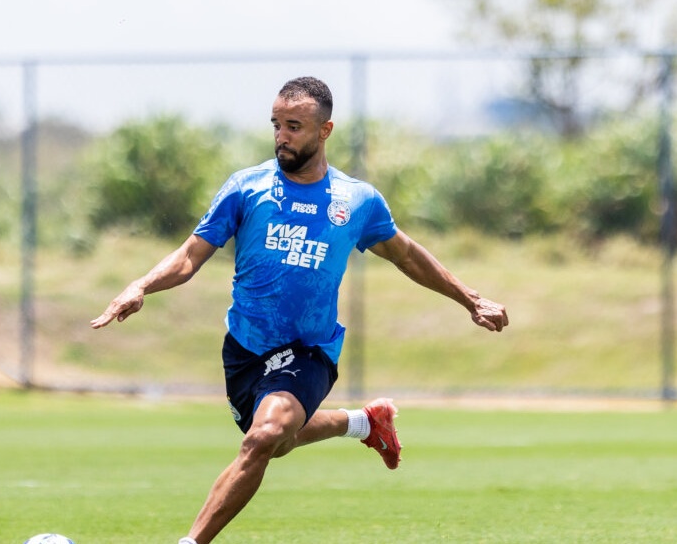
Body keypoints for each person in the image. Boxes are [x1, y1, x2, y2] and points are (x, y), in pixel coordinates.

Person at [90, 76, 509, 544]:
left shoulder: (357, 201)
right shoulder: (245, 189)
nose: (281, 136)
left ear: (324, 130)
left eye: (294, 126)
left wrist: (471, 299)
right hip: (245, 349)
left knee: (263, 437)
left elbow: (407, 255)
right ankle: (365, 422)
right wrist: (141, 286)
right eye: (276, 124)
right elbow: (190, 256)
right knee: (279, 439)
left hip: (310, 349)